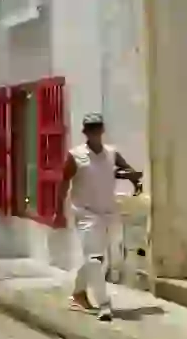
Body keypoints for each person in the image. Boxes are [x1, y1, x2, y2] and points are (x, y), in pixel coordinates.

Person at [55, 113, 143, 322]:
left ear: (102, 130)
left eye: (97, 127)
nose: (94, 131)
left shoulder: (111, 153)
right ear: (85, 131)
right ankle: (105, 304)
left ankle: (78, 295)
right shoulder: (75, 155)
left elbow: (124, 170)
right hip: (85, 213)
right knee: (94, 260)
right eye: (90, 128)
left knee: (96, 258)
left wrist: (133, 179)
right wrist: (58, 211)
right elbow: (63, 182)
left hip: (108, 212)